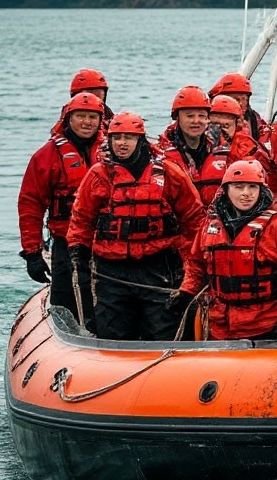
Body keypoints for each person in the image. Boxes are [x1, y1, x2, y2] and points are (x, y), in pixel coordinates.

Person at [66, 111, 205, 340]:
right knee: (112, 334)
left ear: (140, 140)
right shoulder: (98, 175)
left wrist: (192, 269)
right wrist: (78, 253)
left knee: (162, 332)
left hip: (158, 268)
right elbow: (81, 220)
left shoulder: (169, 173)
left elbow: (194, 221)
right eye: (116, 138)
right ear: (109, 140)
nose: (122, 143)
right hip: (112, 271)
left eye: (128, 138)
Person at [173, 159, 277, 340]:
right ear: (226, 190)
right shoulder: (210, 224)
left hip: (266, 325)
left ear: (261, 190)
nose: (246, 193)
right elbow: (196, 264)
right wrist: (186, 292)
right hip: (221, 326)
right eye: (239, 187)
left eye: (252, 187)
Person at [17, 91, 105, 325]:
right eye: (81, 116)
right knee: (65, 302)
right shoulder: (47, 156)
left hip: (108, 242)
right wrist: (32, 253)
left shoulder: (115, 149)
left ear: (101, 120)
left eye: (92, 117)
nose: (87, 122)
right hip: (67, 243)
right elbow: (30, 204)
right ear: (68, 118)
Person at [157, 85, 219, 206]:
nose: (196, 121)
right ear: (177, 117)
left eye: (201, 116)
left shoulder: (220, 149)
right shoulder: (161, 154)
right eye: (190, 116)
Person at [208, 71, 270, 143]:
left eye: (244, 99)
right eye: (236, 99)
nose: (240, 103)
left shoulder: (254, 118)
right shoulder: (207, 119)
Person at [50, 69, 113, 135]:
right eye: (86, 97)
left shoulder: (111, 118)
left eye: (98, 96)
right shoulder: (64, 123)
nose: (92, 101)